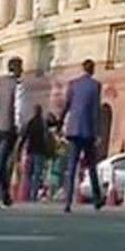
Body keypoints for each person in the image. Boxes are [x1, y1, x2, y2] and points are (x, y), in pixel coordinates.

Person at [61, 59, 105, 212]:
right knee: (91, 165)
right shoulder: (96, 86)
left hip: (73, 129)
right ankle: (97, 199)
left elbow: (66, 105)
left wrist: (61, 122)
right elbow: (95, 111)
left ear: (82, 69)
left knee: (71, 166)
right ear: (92, 70)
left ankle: (67, 202)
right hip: (87, 131)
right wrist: (98, 131)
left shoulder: (73, 84)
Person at [0, 56, 24, 211]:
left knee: (1, 161)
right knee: (2, 163)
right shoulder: (18, 85)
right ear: (18, 69)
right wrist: (18, 126)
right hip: (9, 127)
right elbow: (18, 107)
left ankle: (5, 195)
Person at [20, 104, 51, 202]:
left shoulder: (30, 122)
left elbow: (24, 136)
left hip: (30, 151)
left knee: (28, 174)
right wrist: (47, 150)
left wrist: (20, 148)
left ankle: (27, 195)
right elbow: (46, 137)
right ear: (40, 111)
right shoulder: (43, 123)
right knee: (37, 174)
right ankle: (33, 195)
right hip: (39, 151)